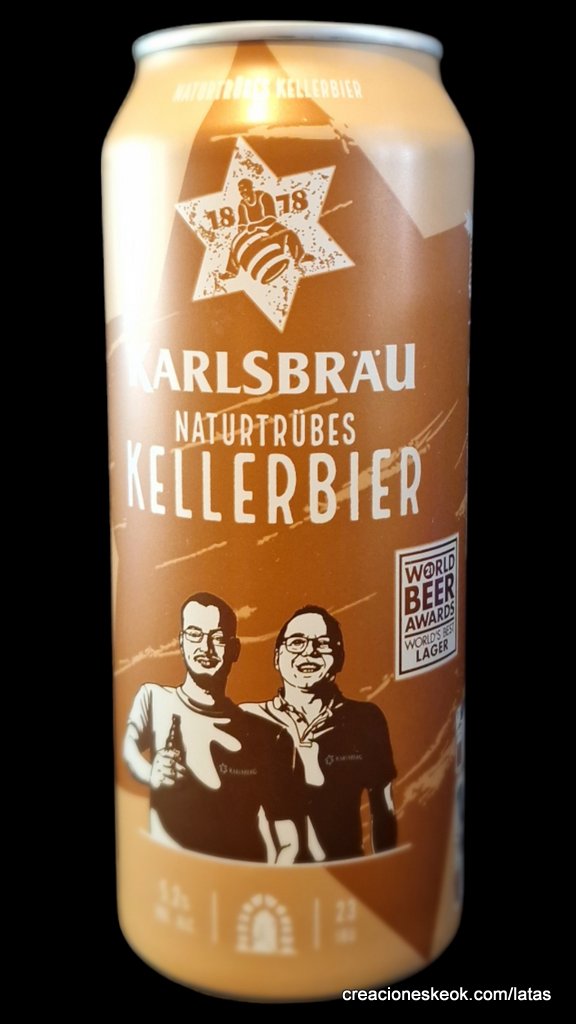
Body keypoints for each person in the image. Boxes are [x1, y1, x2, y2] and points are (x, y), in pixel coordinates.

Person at [124, 592, 298, 863]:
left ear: (235, 649)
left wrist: (271, 881)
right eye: (195, 634)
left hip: (243, 879)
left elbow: (288, 840)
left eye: (217, 638)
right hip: (172, 879)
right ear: (181, 642)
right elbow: (128, 747)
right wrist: (150, 772)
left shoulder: (266, 735)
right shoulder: (153, 698)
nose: (205, 648)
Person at [242, 605, 396, 862]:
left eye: (322, 644)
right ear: (277, 657)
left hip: (345, 874)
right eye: (297, 642)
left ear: (339, 658)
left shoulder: (364, 720)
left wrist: (386, 870)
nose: (309, 652)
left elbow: (384, 808)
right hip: (266, 878)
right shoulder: (248, 719)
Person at [220, 178, 314, 280]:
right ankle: (231, 272)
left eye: (244, 189)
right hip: (256, 232)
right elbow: (242, 223)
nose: (242, 192)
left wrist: (256, 225)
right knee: (236, 244)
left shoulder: (264, 196)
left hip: (271, 227)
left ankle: (300, 257)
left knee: (289, 233)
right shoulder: (242, 204)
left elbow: (271, 218)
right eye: (240, 190)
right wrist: (242, 233)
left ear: (251, 187)